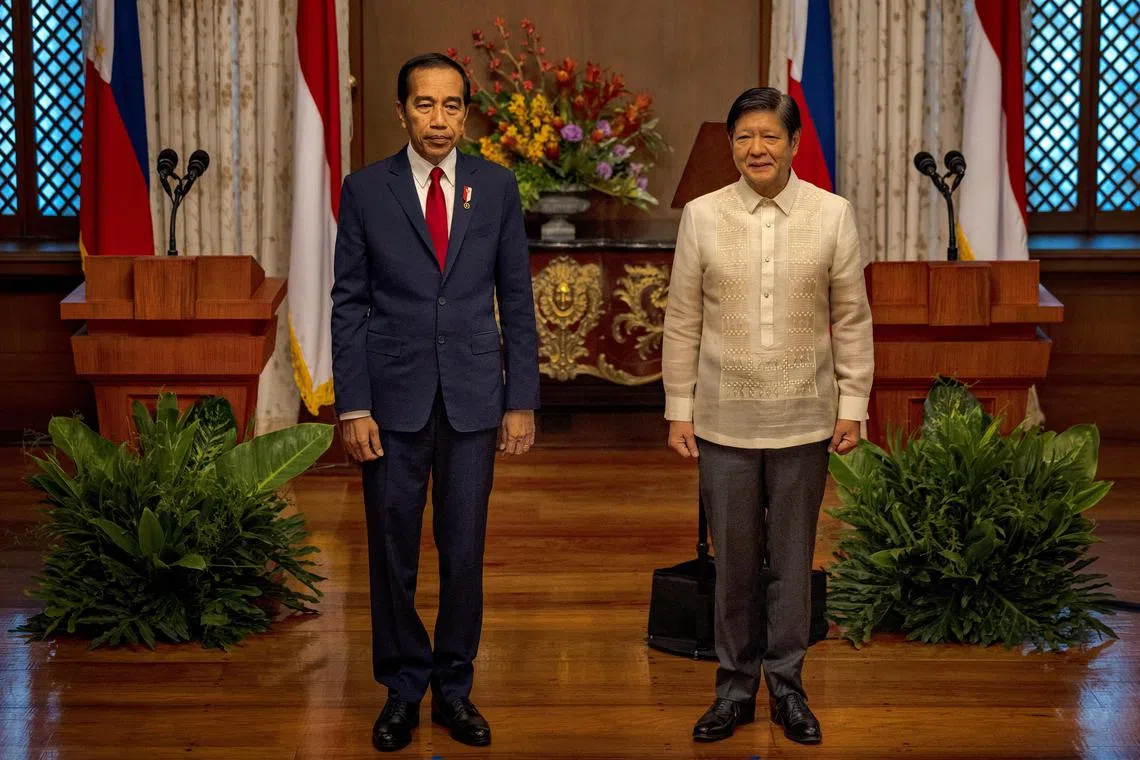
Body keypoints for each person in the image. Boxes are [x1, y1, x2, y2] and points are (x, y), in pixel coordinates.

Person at [330, 52, 540, 753]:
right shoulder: (366, 190)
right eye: (425, 104)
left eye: (452, 105)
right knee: (391, 550)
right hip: (390, 400)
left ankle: (454, 687)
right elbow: (348, 303)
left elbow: (516, 297)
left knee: (464, 549)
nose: (439, 119)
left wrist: (520, 398)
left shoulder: (496, 186)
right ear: (402, 112)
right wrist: (352, 406)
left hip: (475, 398)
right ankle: (401, 688)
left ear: (466, 114)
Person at [661, 86, 873, 745]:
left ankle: (788, 688)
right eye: (744, 137)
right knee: (734, 566)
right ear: (731, 146)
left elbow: (852, 318)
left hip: (806, 419)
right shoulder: (702, 215)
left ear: (793, 144)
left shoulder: (832, 214)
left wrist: (854, 404)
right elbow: (681, 321)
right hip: (723, 420)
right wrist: (678, 409)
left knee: (791, 563)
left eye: (769, 136)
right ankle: (733, 691)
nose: (757, 148)